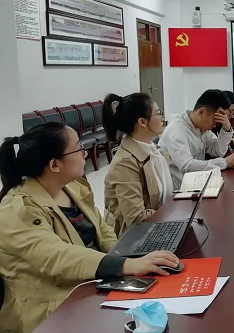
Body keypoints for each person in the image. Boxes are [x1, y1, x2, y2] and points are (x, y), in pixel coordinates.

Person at [0, 122, 179, 333]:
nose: (85, 153)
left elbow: (101, 228)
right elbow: (57, 257)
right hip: (51, 308)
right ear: (55, 165)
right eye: (78, 148)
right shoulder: (16, 209)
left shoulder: (72, 187)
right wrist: (125, 265)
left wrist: (122, 258)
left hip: (90, 283)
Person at [102, 93, 173, 237]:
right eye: (159, 113)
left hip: (159, 226)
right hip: (136, 237)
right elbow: (136, 218)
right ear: (142, 122)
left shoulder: (152, 148)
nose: (162, 117)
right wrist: (173, 214)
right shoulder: (125, 163)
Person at [159, 89, 234, 190]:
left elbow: (218, 151)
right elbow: (187, 166)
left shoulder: (201, 128)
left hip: (197, 183)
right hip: (178, 190)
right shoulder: (176, 130)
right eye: (214, 120)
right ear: (202, 112)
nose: (215, 125)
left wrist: (227, 129)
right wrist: (224, 163)